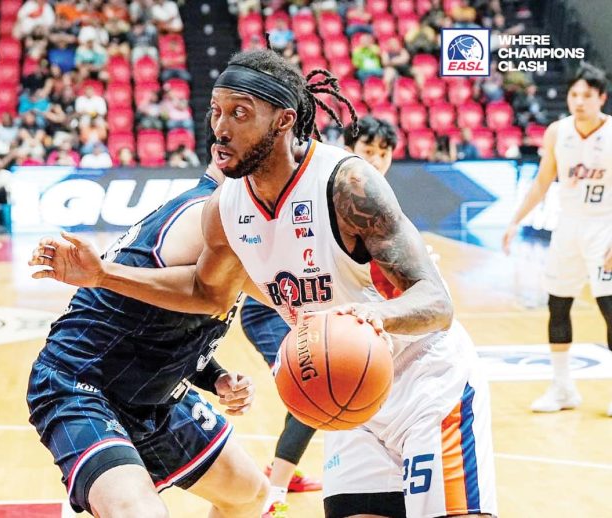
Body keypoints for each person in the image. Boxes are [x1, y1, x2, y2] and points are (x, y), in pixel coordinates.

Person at [31, 49, 497, 518]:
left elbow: (437, 302)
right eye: (215, 111)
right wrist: (101, 275)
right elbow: (206, 294)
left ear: (282, 121)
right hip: (352, 402)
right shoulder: (224, 209)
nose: (221, 128)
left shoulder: (347, 184)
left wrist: (371, 317)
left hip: (425, 383)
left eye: (239, 113)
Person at [26, 138, 270, 517]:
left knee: (248, 494)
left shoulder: (231, 220)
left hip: (152, 395)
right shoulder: (204, 217)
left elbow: (161, 328)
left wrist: (217, 377)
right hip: (82, 383)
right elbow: (225, 299)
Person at [240, 115, 400, 513]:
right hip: (272, 309)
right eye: (368, 152)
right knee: (318, 383)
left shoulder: (371, 198)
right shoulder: (326, 190)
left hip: (317, 309)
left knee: (324, 386)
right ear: (349, 150)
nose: (376, 161)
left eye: (384, 154)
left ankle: (284, 472)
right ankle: (273, 490)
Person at [503, 62, 612, 415]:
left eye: (586, 95)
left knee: (609, 309)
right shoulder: (557, 131)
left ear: (602, 98)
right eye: (574, 94)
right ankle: (563, 388)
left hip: (604, 226)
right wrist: (515, 221)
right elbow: (542, 181)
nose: (578, 101)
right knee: (558, 304)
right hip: (568, 226)